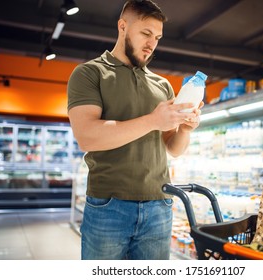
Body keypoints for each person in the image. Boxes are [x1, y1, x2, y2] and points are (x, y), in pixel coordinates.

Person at [67, 0, 203, 260]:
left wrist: (185, 129)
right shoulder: (89, 73)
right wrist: (153, 120)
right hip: (109, 205)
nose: (152, 43)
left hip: (159, 205)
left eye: (158, 37)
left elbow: (173, 149)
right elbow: (86, 136)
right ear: (122, 26)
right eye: (146, 33)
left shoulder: (162, 85)